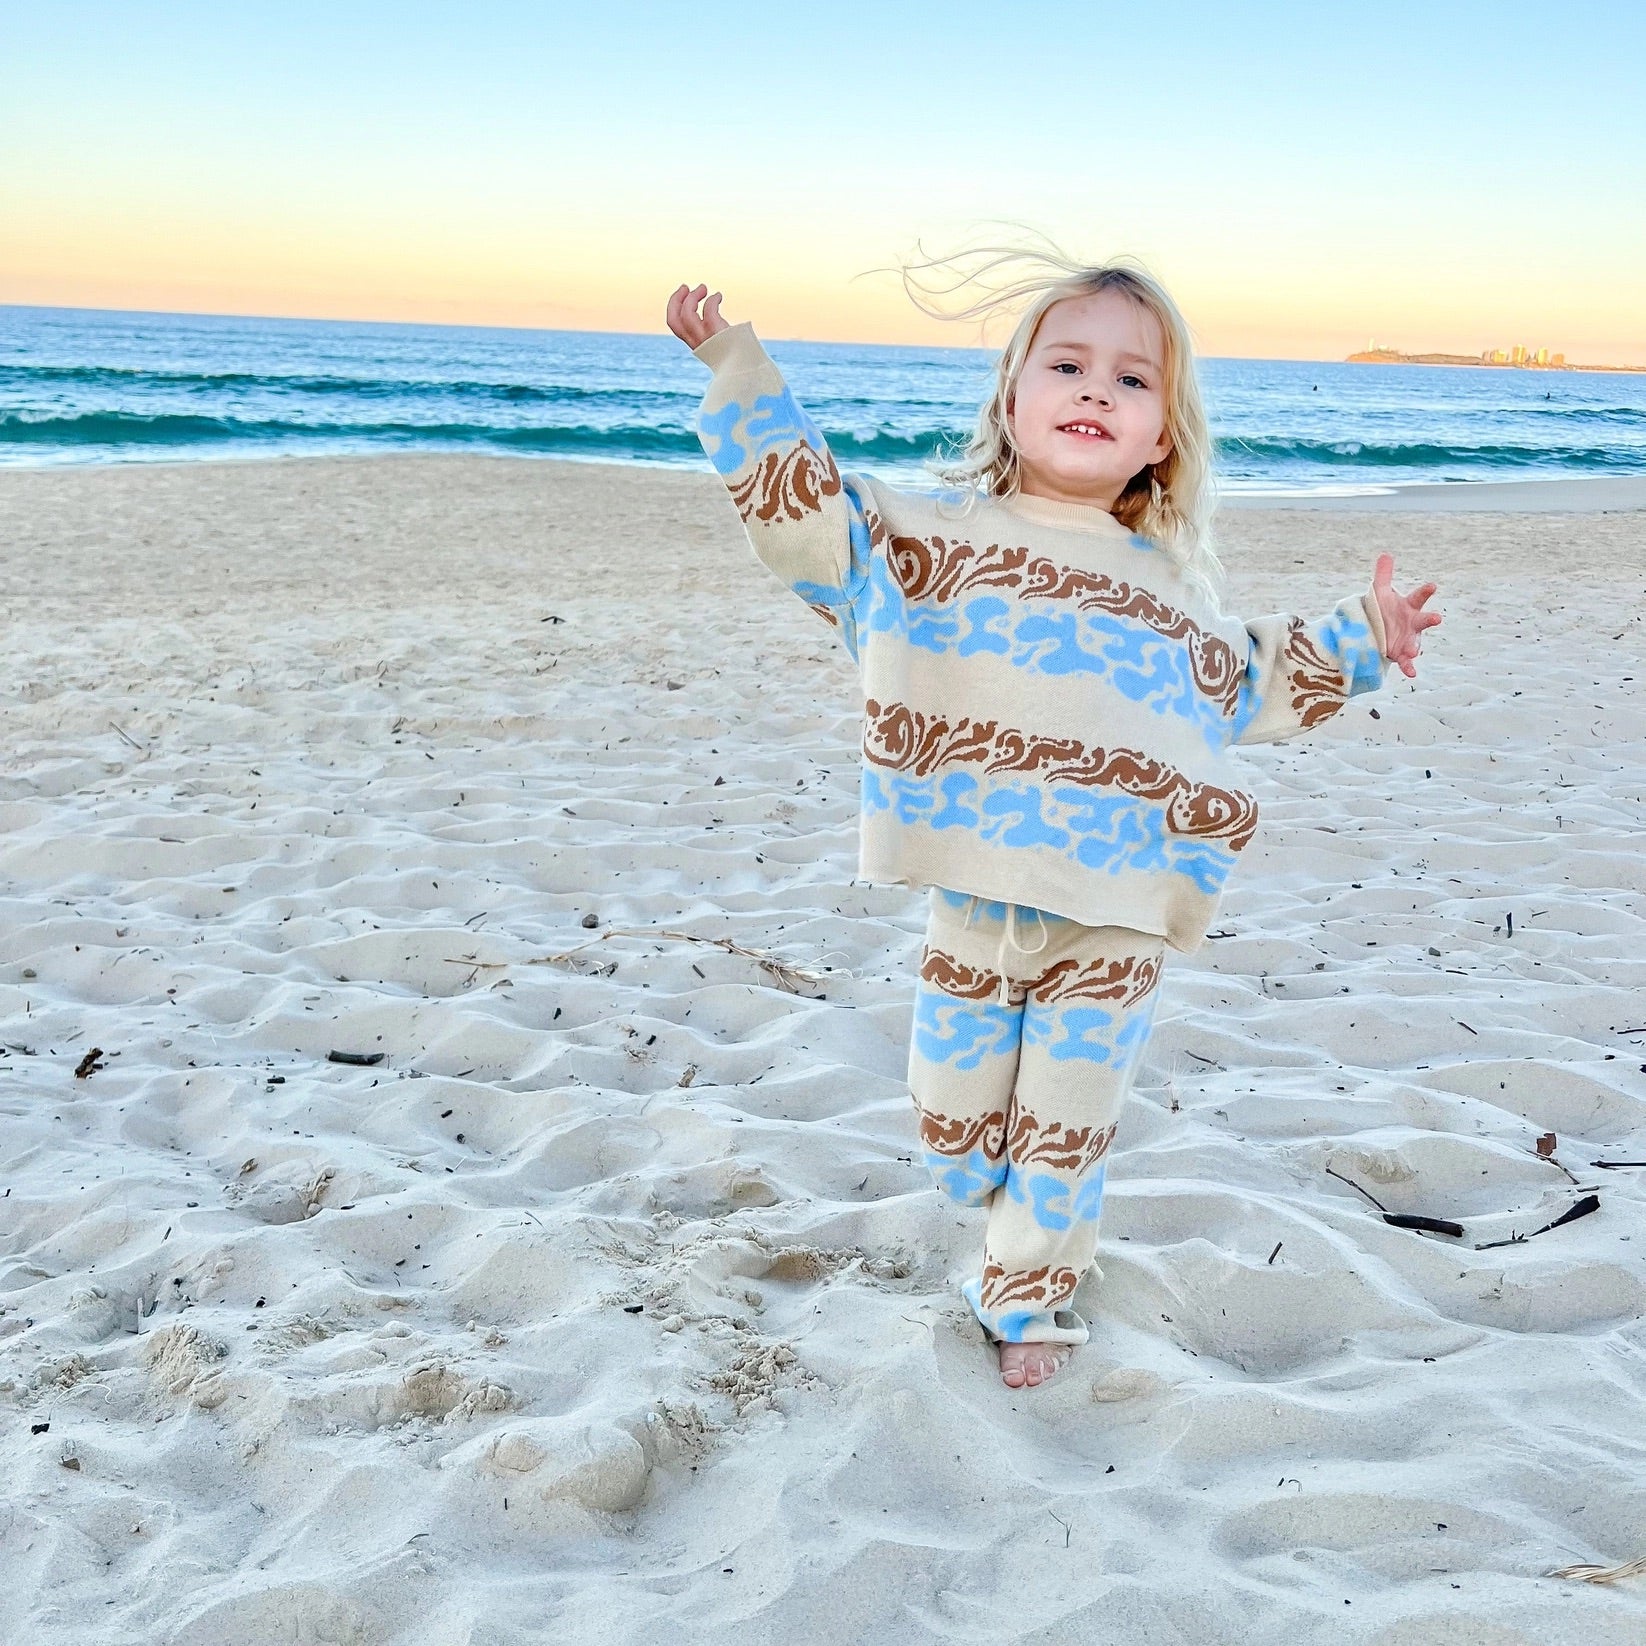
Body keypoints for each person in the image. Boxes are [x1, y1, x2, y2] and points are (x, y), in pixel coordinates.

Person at [664, 255, 1440, 1389]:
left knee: (1067, 1123)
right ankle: (985, 1180)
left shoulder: (1167, 593)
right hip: (975, 888)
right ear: (1012, 399)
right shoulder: (933, 547)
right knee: (953, 1125)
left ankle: (1026, 1292)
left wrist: (1363, 634)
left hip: (1115, 909)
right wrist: (737, 370)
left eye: (1131, 381)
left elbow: (1251, 679)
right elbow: (807, 523)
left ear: (1160, 435)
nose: (1094, 391)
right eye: (1066, 365)